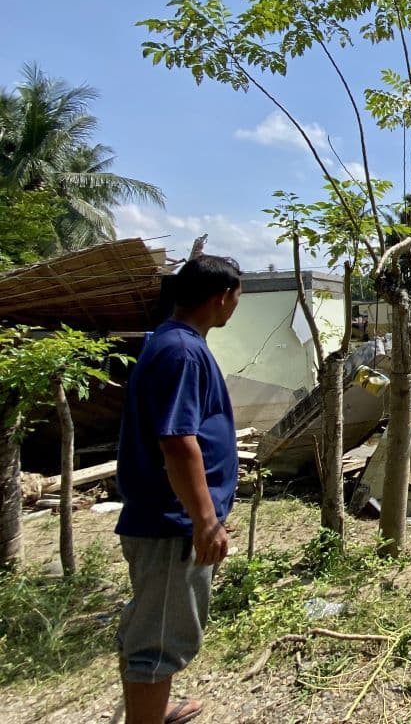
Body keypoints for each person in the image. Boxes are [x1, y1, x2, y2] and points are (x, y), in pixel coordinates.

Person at [114, 255, 242, 724]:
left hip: (169, 516)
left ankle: (152, 709)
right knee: (159, 637)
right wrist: (205, 521)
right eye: (236, 299)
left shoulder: (170, 343)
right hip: (173, 522)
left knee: (156, 624)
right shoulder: (183, 352)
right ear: (222, 297)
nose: (234, 308)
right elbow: (176, 441)